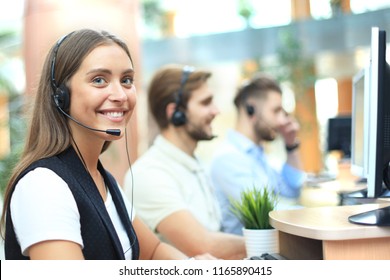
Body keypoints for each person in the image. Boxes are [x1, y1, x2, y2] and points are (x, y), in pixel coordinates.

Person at [0, 29, 215, 260]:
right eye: (99, 80)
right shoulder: (43, 185)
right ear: (60, 95)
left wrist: (193, 267)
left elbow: (152, 252)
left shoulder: (104, 179)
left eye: (126, 80)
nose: (120, 94)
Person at [124, 64, 246, 260]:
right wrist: (274, 240)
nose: (216, 111)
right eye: (206, 103)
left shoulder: (195, 163)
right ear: (175, 113)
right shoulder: (149, 174)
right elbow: (204, 246)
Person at [209, 73, 307, 235]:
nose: (282, 121)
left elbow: (293, 188)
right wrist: (314, 214)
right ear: (251, 109)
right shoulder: (228, 159)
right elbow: (267, 213)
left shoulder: (257, 155)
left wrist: (291, 145)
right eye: (276, 111)